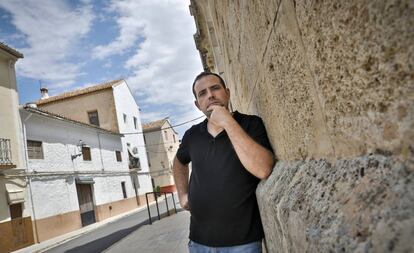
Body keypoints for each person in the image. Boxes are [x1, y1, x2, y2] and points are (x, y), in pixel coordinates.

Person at [173, 72, 275, 253]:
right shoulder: (192, 135)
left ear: (227, 93)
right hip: (198, 242)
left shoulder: (251, 124)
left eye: (215, 88)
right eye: (202, 93)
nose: (210, 95)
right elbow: (179, 163)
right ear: (198, 105)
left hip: (243, 243)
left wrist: (227, 122)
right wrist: (182, 195)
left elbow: (263, 169)